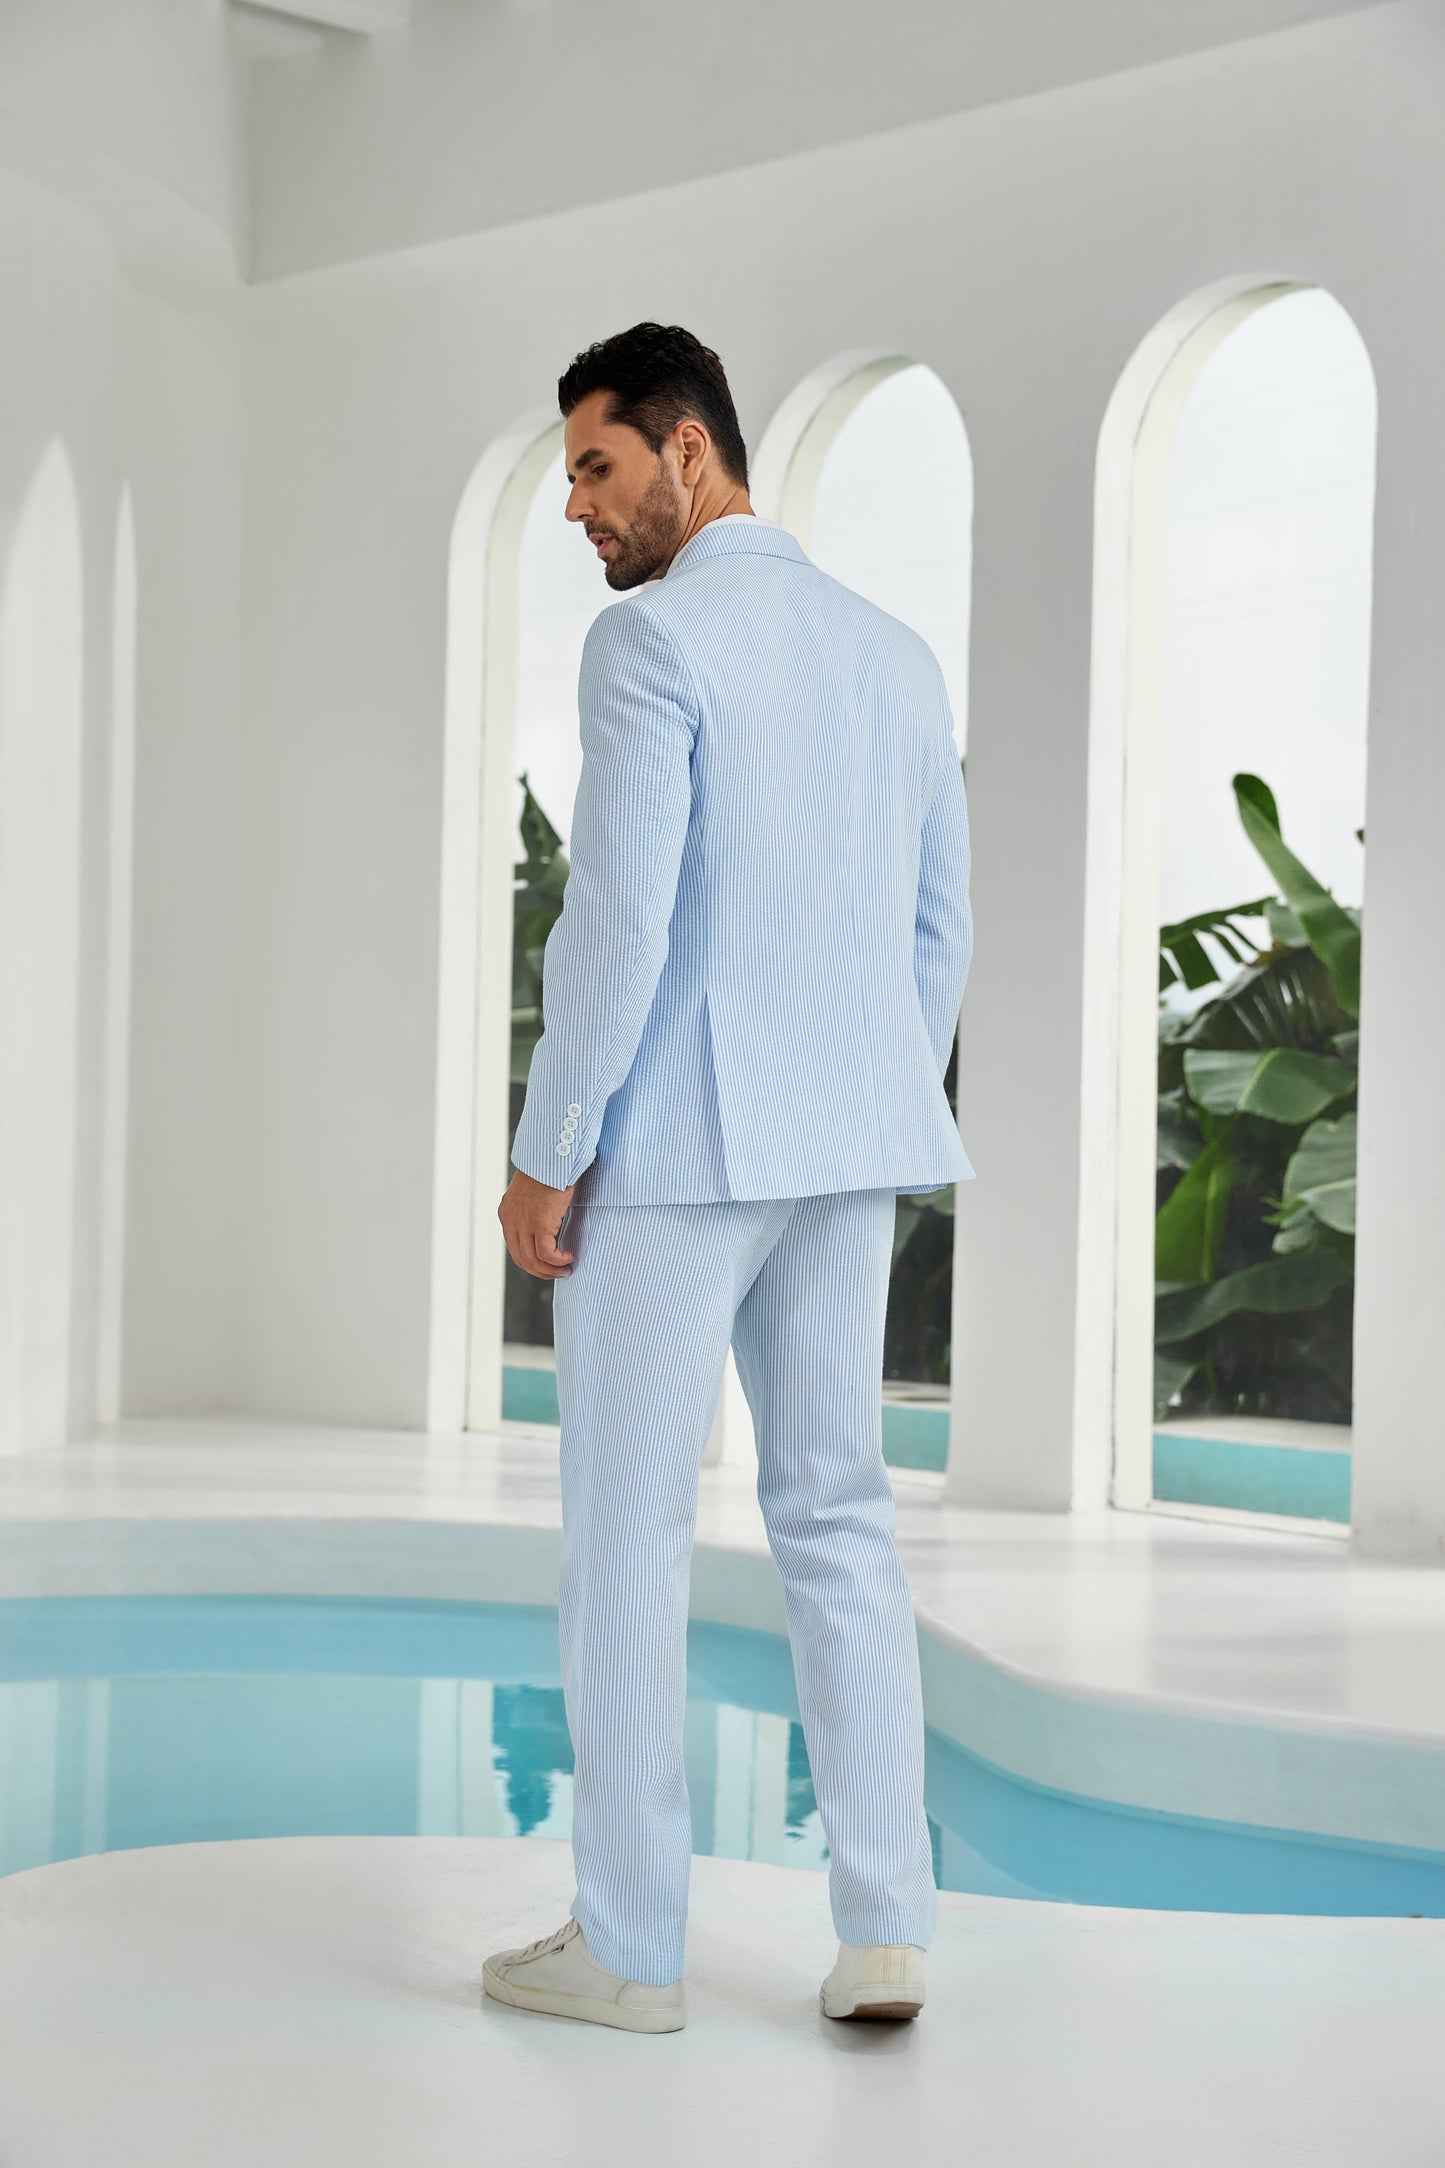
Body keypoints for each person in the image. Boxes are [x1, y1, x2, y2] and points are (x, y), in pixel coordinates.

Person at [486, 322, 973, 2034]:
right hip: (849, 1149)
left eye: (597, 467)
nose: (576, 507)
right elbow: (937, 930)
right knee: (838, 1516)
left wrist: (546, 1152)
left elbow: (616, 923)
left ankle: (629, 1952)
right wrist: (867, 1092)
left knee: (624, 1540)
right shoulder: (896, 657)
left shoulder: (652, 641)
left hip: (680, 1154)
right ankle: (885, 1927)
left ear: (687, 450)